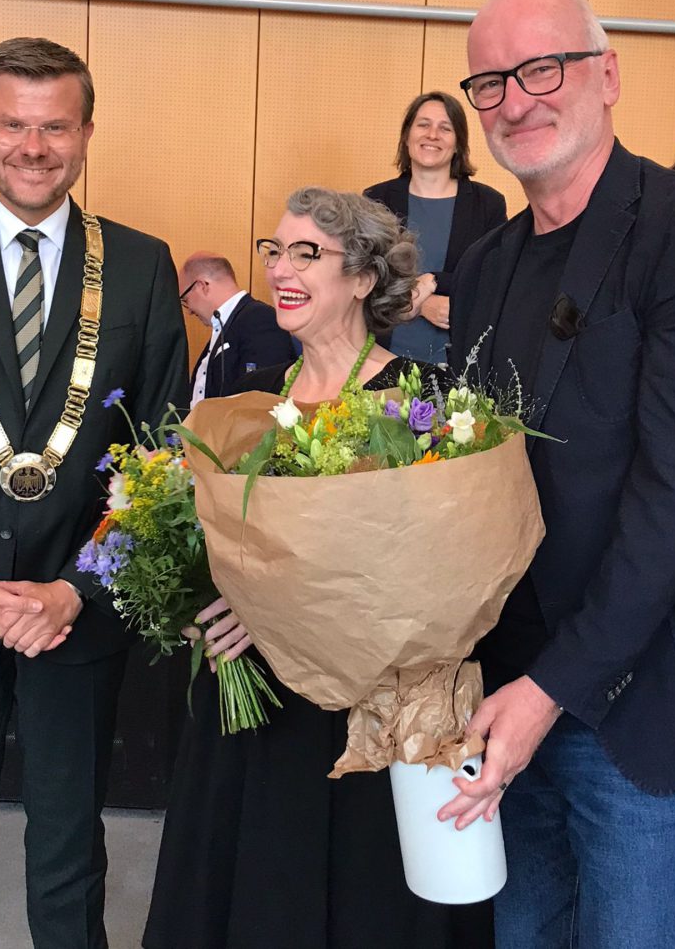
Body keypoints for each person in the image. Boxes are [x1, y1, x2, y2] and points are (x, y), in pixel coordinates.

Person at [143, 188, 493, 949]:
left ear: (365, 278)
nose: (281, 269)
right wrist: (200, 594)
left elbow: (448, 576)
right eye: (274, 250)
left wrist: (277, 605)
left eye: (307, 253)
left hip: (363, 724)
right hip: (257, 718)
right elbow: (212, 547)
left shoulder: (426, 405)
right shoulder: (247, 400)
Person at [0, 37, 188, 949]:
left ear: (87, 131)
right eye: (14, 125)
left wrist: (75, 588)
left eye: (55, 126)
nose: (34, 147)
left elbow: (162, 456)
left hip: (76, 611)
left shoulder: (143, 267)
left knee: (70, 853)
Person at [440, 0, 675, 948]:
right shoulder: (480, 268)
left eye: (539, 67)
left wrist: (550, 687)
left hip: (631, 713)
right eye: (489, 82)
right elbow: (464, 483)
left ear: (607, 74)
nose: (515, 99)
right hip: (502, 699)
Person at [364, 91, 506, 363]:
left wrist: (433, 280)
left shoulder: (488, 204)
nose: (432, 135)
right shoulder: (376, 200)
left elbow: (494, 279)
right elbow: (366, 278)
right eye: (423, 124)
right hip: (381, 358)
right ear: (407, 136)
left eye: (445, 128)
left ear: (458, 143)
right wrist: (421, 305)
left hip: (458, 361)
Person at [181, 250, 296, 406]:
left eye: (186, 299)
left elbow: (262, 398)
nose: (189, 310)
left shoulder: (260, 319)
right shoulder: (225, 326)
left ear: (202, 286)